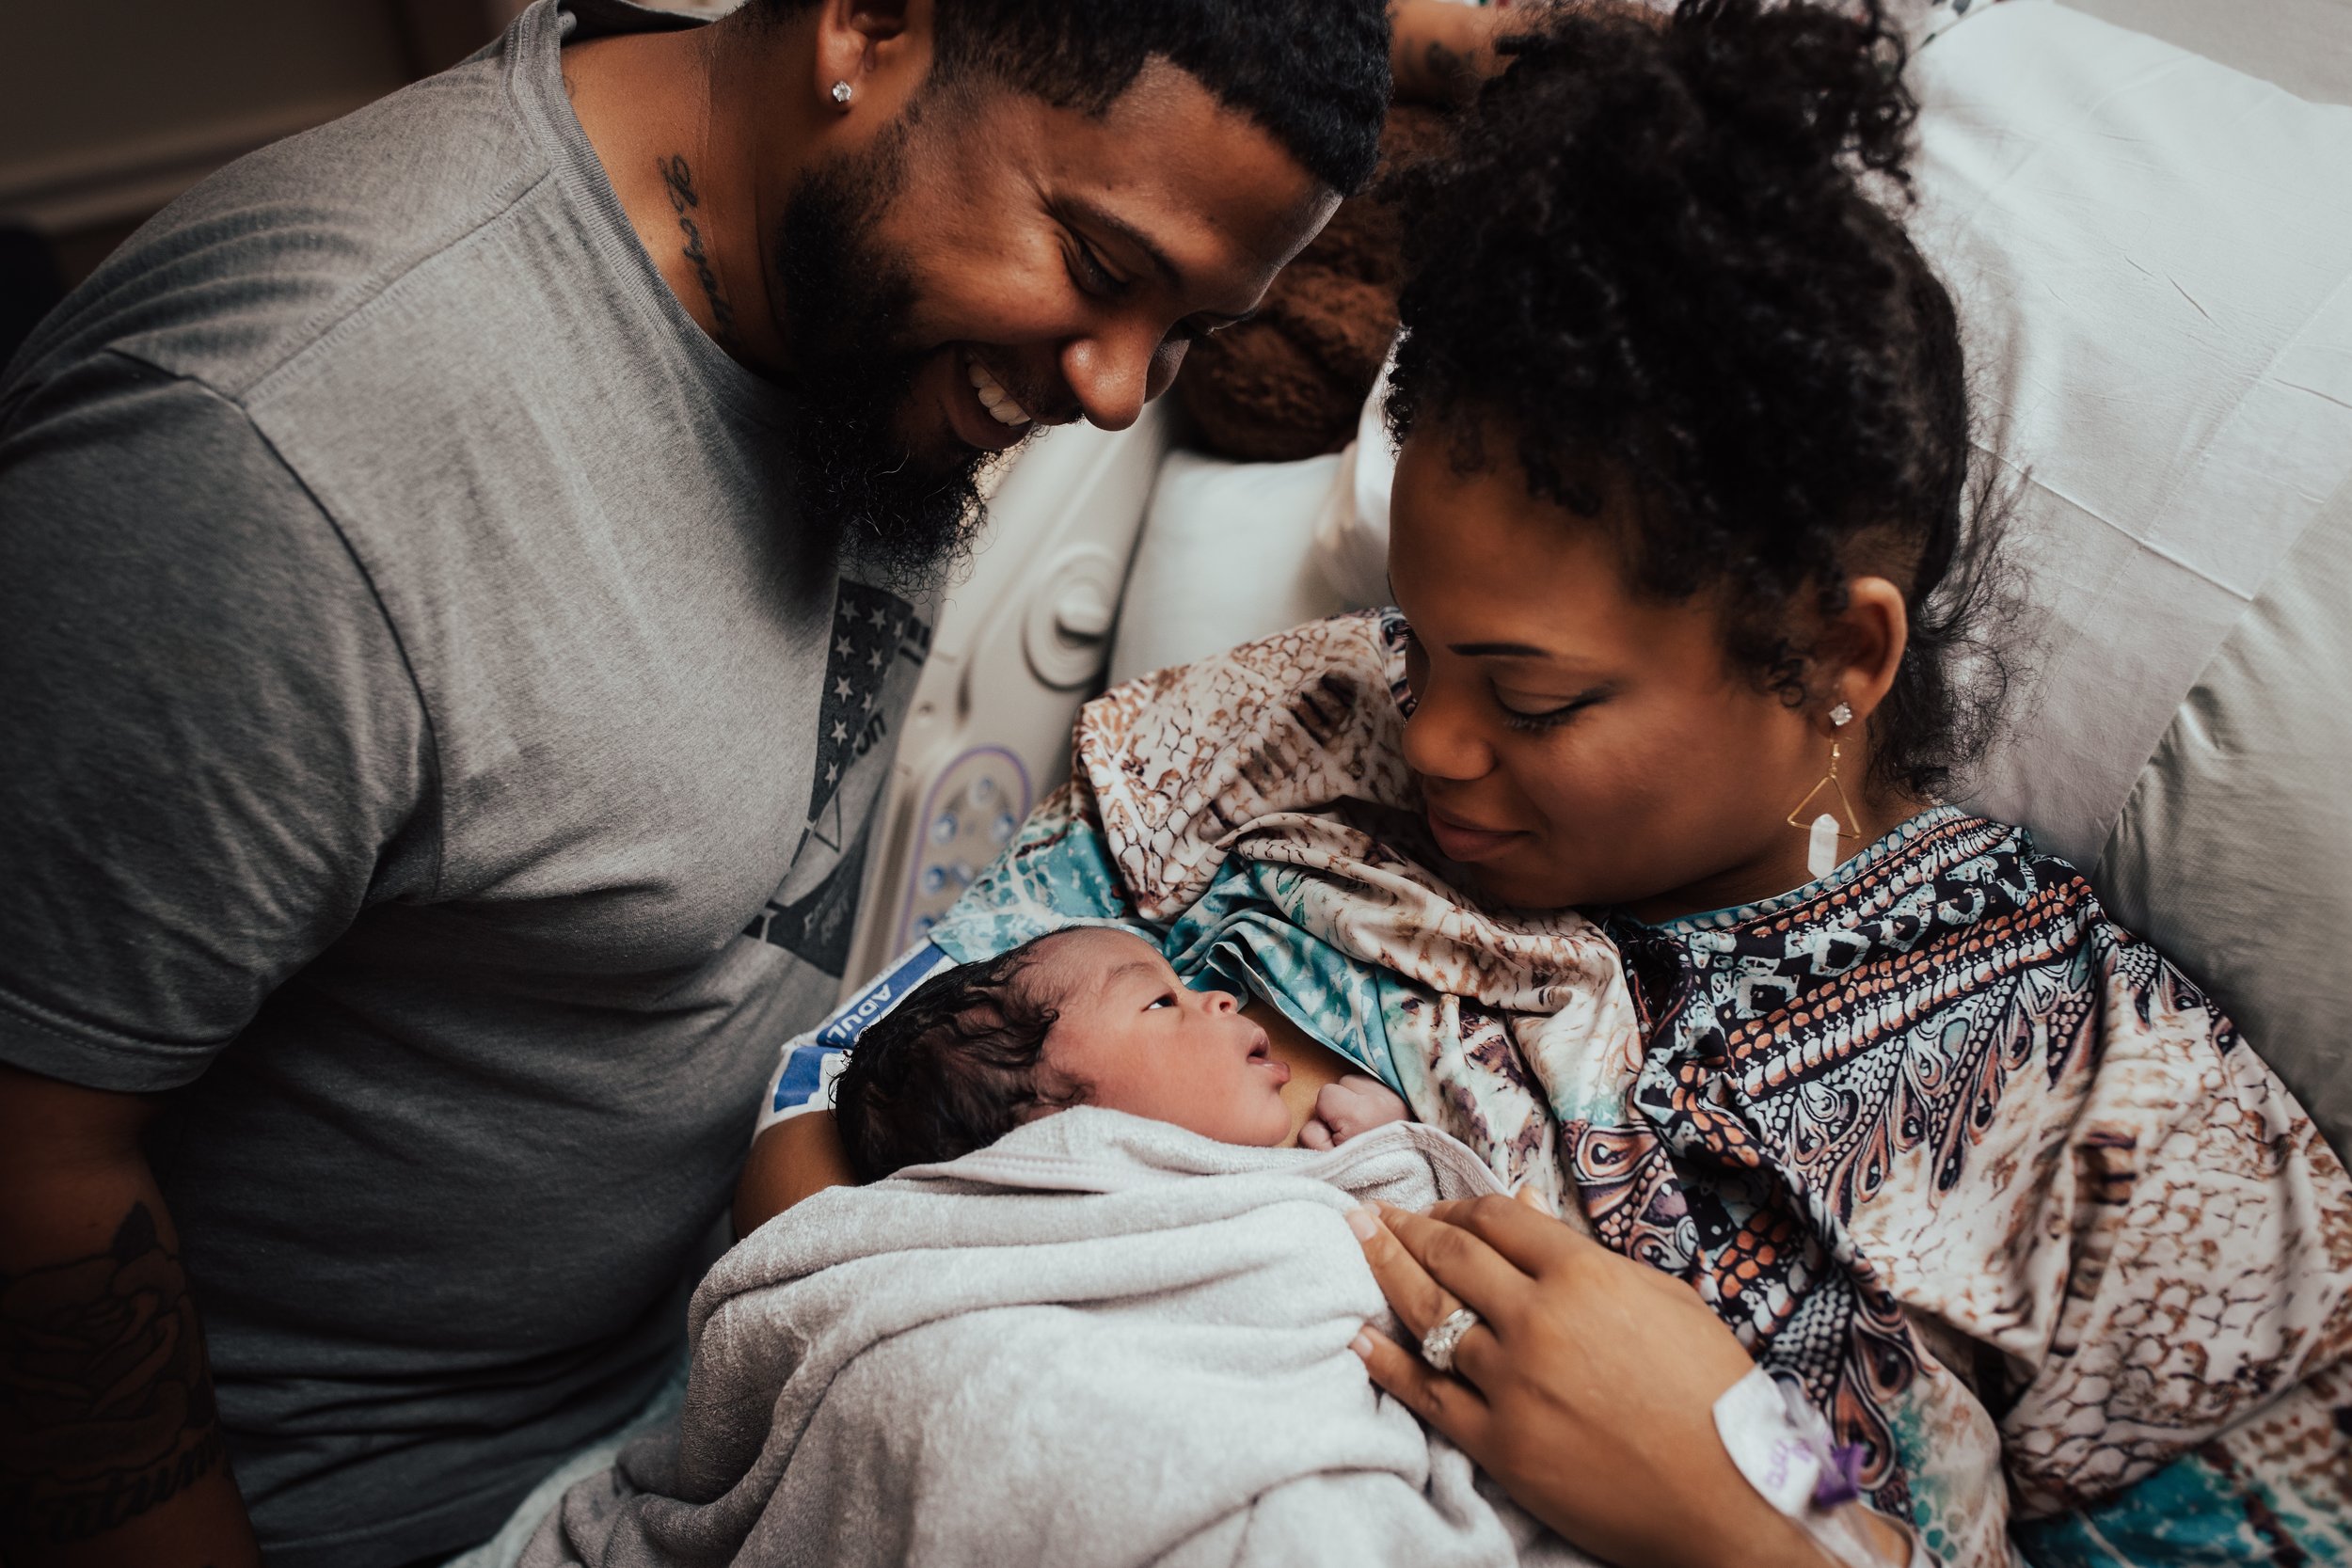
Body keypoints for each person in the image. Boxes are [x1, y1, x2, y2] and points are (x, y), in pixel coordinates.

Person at [0, 0, 1398, 1562]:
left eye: (1189, 327)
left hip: (708, 1370)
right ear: (865, 27)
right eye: (1099, 268)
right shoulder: (272, 452)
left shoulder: (842, 304)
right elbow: (30, 1158)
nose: (1118, 386)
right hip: (374, 1505)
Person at [1333, 2, 2352, 1565]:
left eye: (1534, 697)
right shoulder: (1292, 742)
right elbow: (837, 1087)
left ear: (1833, 655)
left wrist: (1753, 1506)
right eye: (1417, 655)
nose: (1434, 746)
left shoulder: (2119, 1124)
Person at [823, 926, 1409, 1183]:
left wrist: (1381, 1156)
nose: (1225, 1000)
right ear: (1052, 1135)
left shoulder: (1293, 1177)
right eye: (1160, 1002)